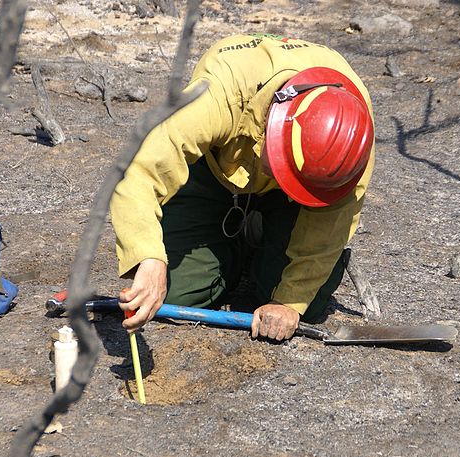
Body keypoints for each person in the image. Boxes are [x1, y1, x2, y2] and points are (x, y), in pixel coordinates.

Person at [109, 33, 375, 342]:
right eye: (277, 163)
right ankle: (231, 245)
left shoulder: (351, 137)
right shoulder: (219, 92)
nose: (274, 173)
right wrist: (149, 257)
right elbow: (140, 170)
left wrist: (288, 301)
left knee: (309, 303)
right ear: (269, 125)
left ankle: (260, 235)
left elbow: (333, 218)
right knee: (175, 295)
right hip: (215, 169)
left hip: (292, 200)